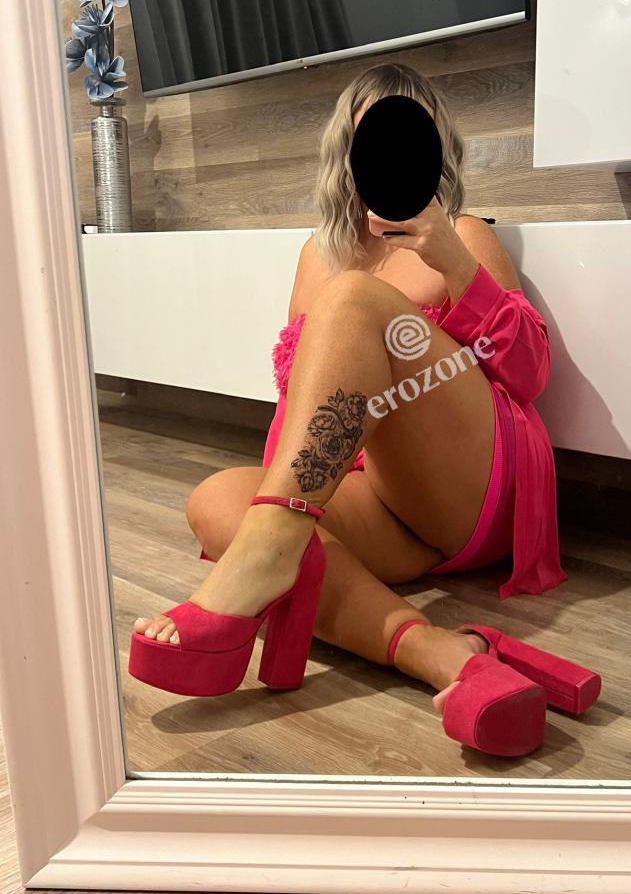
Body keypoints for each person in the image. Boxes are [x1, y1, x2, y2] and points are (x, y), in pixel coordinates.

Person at [129, 63, 599, 757]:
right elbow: (306, 403)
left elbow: (530, 375)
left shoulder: (463, 233)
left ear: (435, 150)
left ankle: (264, 560)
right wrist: (283, 502)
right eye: (371, 140)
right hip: (376, 497)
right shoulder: (317, 255)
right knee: (217, 502)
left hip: (472, 490)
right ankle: (441, 652)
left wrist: (453, 261)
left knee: (351, 300)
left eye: (407, 139)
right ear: (344, 154)